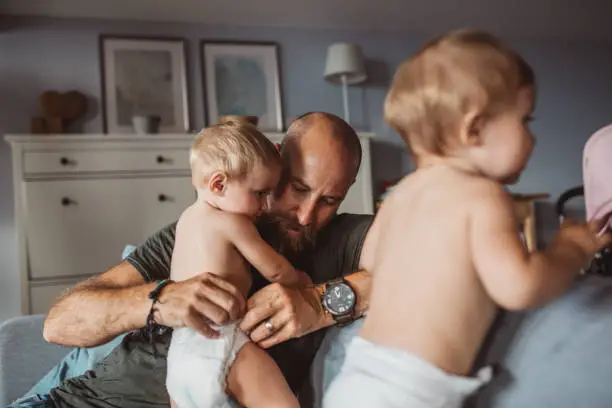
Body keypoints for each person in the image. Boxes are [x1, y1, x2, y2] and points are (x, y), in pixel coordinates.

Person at [323, 29, 612, 408]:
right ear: (474, 129)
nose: (532, 138)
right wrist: (569, 251)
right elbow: (520, 288)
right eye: (526, 120)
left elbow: (371, 263)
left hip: (355, 378)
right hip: (412, 394)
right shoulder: (484, 195)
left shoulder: (400, 196)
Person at [12, 112, 373, 408]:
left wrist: (319, 303)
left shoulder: (342, 239)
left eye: (330, 200)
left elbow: (423, 265)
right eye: (299, 188)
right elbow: (58, 325)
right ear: (276, 160)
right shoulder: (201, 226)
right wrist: (161, 300)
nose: (308, 216)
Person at [167, 121, 311, 408]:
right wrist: (301, 280)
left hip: (181, 353)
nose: (266, 204)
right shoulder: (232, 223)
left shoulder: (185, 220)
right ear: (218, 184)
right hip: (223, 341)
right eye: (259, 193)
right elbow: (274, 269)